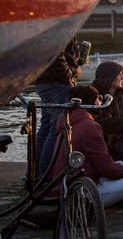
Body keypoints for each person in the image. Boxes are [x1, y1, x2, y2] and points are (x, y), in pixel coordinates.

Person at [52, 85, 123, 207]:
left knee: (122, 164)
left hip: (71, 183)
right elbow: (107, 168)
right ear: (90, 102)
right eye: (98, 98)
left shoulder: (68, 121)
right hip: (85, 193)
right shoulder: (89, 126)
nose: (100, 102)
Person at [34, 37, 85, 179]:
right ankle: (46, 175)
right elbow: (57, 54)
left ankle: (38, 173)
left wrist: (76, 62)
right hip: (57, 84)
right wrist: (70, 75)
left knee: (46, 128)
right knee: (56, 130)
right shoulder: (62, 24)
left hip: (45, 81)